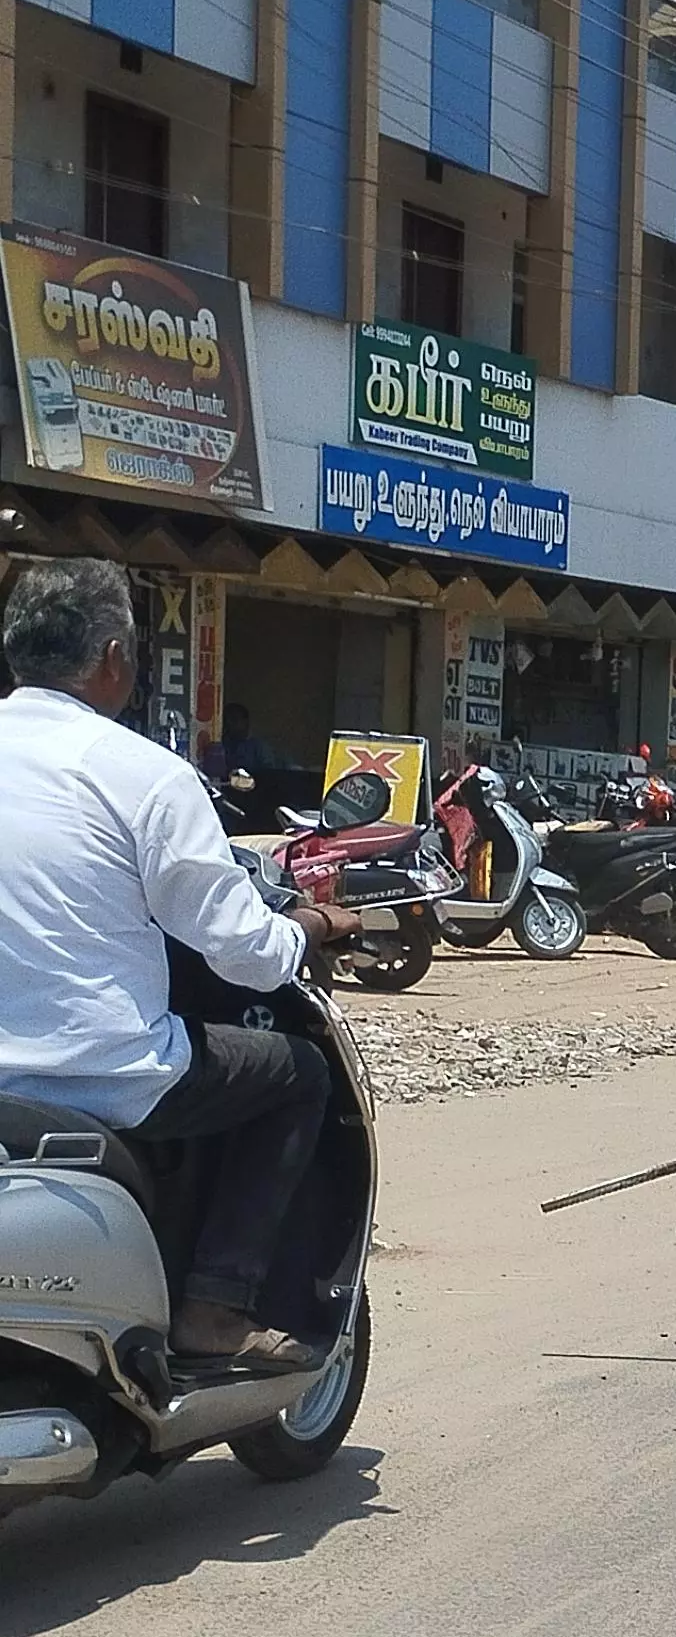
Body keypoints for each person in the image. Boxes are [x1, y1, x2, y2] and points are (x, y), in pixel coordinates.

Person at [0, 559, 359, 1370]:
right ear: (114, 658)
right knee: (297, 1074)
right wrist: (307, 925)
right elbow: (246, 953)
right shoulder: (144, 775)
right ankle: (215, 1307)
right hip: (101, 1076)